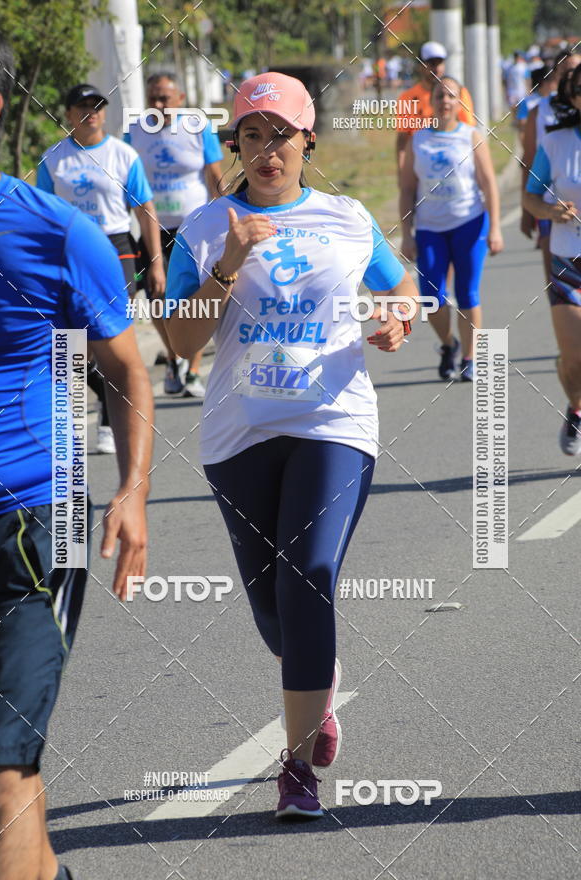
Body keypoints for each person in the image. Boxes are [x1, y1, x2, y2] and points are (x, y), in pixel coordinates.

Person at [163, 71, 417, 819]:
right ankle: (317, 684)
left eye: (281, 134)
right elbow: (179, 341)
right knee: (275, 611)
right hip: (238, 433)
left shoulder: (345, 217)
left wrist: (397, 319)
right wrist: (227, 263)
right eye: (250, 136)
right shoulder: (208, 226)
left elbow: (400, 288)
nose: (266, 150)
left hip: (334, 421)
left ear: (309, 138)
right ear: (234, 144)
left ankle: (297, 766)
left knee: (308, 571)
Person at [0, 24, 153, 880]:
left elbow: (124, 371)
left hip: (37, 516)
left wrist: (131, 492)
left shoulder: (52, 234)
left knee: (4, 762)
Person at [37, 83, 165, 450]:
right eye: (83, 107)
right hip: (70, 251)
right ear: (68, 115)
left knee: (111, 334)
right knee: (75, 344)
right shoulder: (54, 159)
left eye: (97, 106)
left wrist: (155, 263)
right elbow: (44, 216)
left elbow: (144, 210)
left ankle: (109, 422)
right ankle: (94, 406)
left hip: (116, 250)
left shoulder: (123, 155)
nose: (91, 113)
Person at [126, 72, 224, 397]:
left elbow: (215, 177)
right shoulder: (135, 131)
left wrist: (221, 218)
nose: (158, 104)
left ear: (180, 99)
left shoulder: (198, 128)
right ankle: (173, 356)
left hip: (193, 228)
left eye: (165, 98)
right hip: (152, 228)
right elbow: (124, 180)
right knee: (155, 294)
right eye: (152, 97)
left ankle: (193, 369)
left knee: (192, 298)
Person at [400, 76, 503, 381]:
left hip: (469, 223)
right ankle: (449, 344)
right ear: (431, 100)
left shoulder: (471, 136)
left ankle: (470, 357)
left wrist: (495, 228)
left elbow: (489, 185)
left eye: (451, 96)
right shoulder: (417, 139)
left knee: (467, 292)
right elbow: (406, 189)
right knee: (432, 297)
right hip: (430, 227)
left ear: (459, 102)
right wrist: (406, 234)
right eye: (440, 95)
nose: (445, 101)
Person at [524, 62, 581, 455]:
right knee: (575, 358)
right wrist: (548, 212)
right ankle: (576, 408)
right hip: (567, 258)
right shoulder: (555, 143)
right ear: (573, 97)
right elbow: (529, 197)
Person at [521, 50, 581, 280]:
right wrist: (530, 212)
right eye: (567, 69)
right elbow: (527, 161)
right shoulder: (540, 110)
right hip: (551, 201)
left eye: (577, 67)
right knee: (553, 281)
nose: (572, 73)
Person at [395, 42, 475, 177]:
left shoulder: (459, 94)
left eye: (439, 63)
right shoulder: (407, 98)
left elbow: (469, 135)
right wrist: (403, 174)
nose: (436, 68)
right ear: (420, 65)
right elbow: (402, 140)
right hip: (419, 169)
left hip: (454, 167)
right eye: (431, 63)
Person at [506, 50, 529, 114]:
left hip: (521, 90)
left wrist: (528, 89)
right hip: (512, 90)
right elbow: (506, 80)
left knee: (521, 106)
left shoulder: (523, 67)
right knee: (513, 107)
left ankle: (520, 120)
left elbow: (527, 79)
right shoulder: (509, 68)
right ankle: (515, 120)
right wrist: (506, 91)